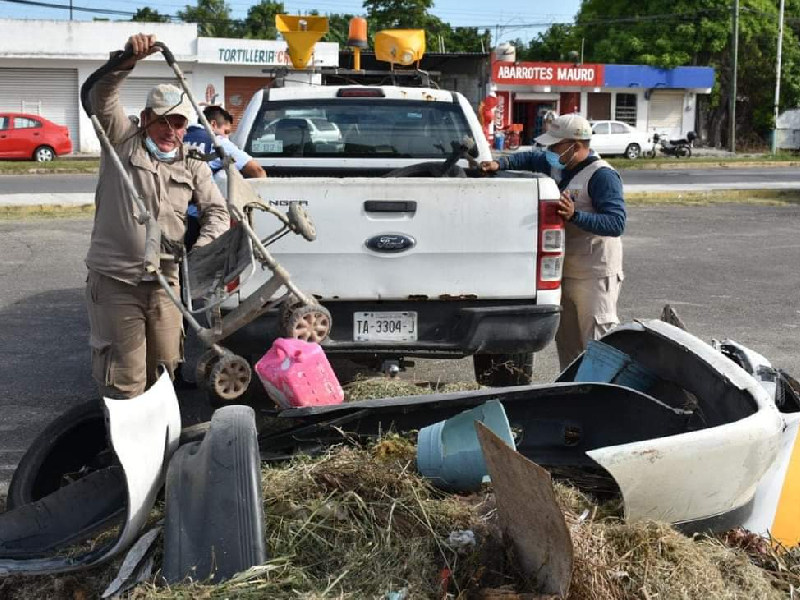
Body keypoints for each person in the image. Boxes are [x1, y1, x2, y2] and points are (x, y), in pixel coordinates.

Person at [85, 33, 229, 399]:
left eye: (178, 124)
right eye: (163, 121)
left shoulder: (192, 164)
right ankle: (120, 453)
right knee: (126, 380)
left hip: (166, 282)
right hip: (118, 281)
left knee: (166, 370)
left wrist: (204, 248)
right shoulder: (121, 140)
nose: (171, 131)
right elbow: (102, 96)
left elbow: (216, 211)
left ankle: (164, 450)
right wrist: (128, 60)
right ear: (146, 118)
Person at [481, 113, 626, 370]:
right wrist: (499, 164)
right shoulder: (560, 166)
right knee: (568, 347)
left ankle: (602, 399)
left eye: (555, 146)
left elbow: (616, 224)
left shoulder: (602, 176)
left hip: (595, 275)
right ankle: (570, 397)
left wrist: (575, 215)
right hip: (565, 273)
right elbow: (531, 158)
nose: (549, 151)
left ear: (576, 146)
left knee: (597, 346)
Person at [182, 105, 265, 249]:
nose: (226, 137)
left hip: (173, 215)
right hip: (200, 217)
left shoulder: (178, 137)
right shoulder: (217, 142)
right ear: (213, 124)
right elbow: (257, 171)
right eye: (226, 132)